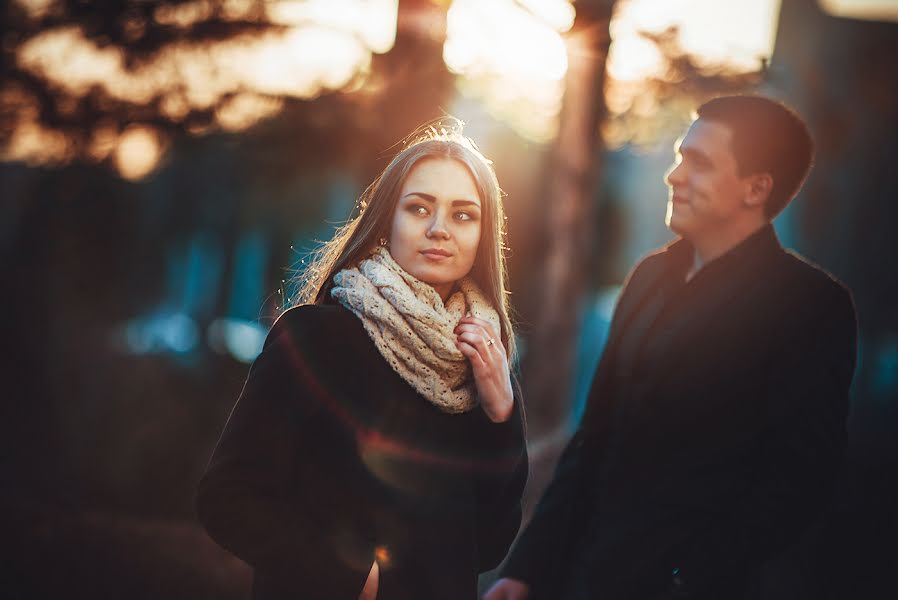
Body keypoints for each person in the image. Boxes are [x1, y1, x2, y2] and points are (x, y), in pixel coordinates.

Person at [486, 95, 857, 600]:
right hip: (580, 579)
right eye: (681, 156)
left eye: (699, 163)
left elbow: (799, 483)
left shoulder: (810, 305)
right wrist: (526, 567)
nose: (674, 176)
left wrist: (688, 576)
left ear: (757, 188)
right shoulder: (649, 278)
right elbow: (592, 441)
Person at [197, 122, 528, 600]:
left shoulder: (481, 363)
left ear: (483, 235)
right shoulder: (316, 337)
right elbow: (226, 498)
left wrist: (501, 417)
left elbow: (489, 546)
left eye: (463, 215)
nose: (439, 229)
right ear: (387, 218)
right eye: (419, 208)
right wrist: (347, 577)